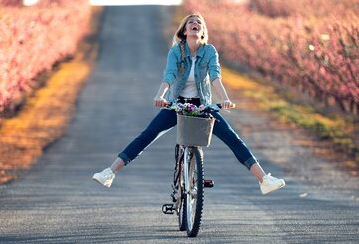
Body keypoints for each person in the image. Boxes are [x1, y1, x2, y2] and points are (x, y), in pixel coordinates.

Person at [92, 13, 285, 195]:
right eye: (191, 22)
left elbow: (215, 76)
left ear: (202, 31)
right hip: (177, 105)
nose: (195, 24)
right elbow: (169, 75)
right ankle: (110, 173)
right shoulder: (177, 51)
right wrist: (160, 96)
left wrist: (224, 99)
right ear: (184, 30)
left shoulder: (209, 51)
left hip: (202, 106)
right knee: (147, 135)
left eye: (199, 23)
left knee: (232, 138)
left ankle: (264, 180)